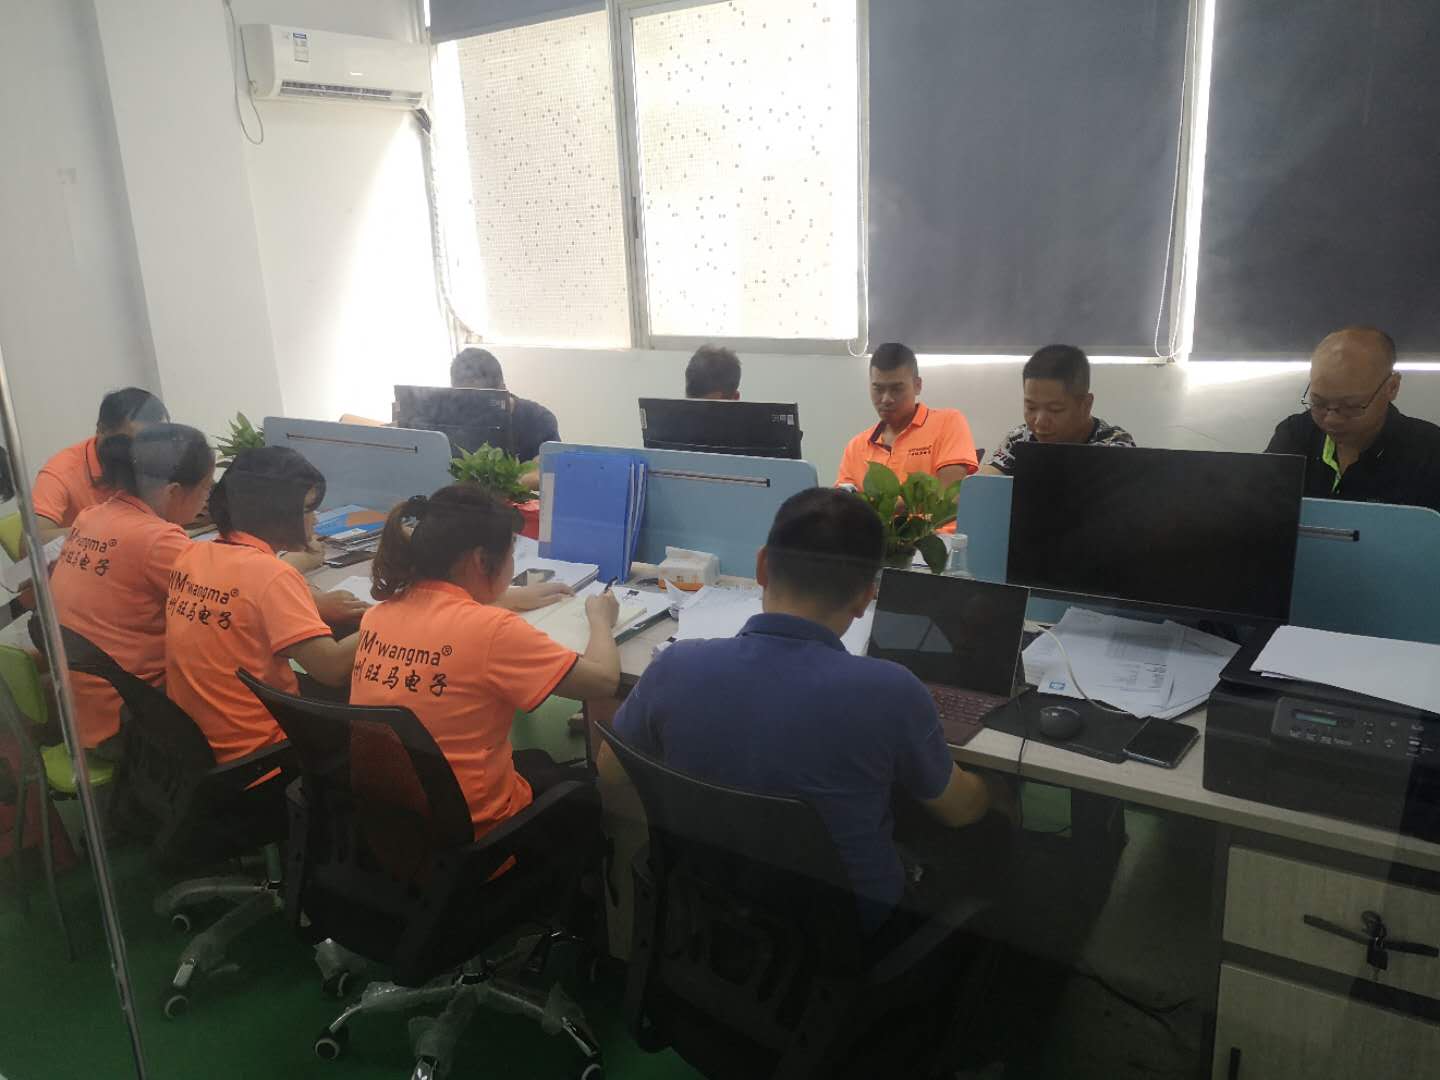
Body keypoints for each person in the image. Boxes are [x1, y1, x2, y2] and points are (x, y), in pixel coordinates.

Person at [597, 488, 1012, 934]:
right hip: (845, 927)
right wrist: (998, 789)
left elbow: (611, 771)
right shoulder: (892, 691)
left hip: (707, 900)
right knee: (991, 828)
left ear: (761, 567)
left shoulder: (673, 665)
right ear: (865, 598)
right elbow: (960, 811)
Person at [353, 485, 620, 839]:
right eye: (512, 555)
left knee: (537, 760)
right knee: (587, 792)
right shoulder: (493, 630)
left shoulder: (378, 616)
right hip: (479, 830)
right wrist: (601, 620)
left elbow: (443, 613)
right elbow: (603, 681)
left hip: (398, 818)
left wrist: (508, 597)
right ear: (481, 561)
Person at [165, 447, 360, 763]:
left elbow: (248, 591)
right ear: (277, 514)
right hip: (264, 749)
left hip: (198, 743)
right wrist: (389, 618)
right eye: (308, 509)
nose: (315, 519)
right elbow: (332, 669)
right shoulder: (272, 576)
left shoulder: (192, 554)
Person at [48, 424, 214, 755]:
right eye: (206, 489)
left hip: (78, 711)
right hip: (128, 722)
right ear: (174, 492)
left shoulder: (91, 516)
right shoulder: (157, 539)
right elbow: (233, 597)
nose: (207, 500)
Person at [1265, 327, 1440, 512]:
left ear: (1392, 387)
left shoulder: (1430, 454)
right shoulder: (1294, 437)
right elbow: (1259, 511)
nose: (1331, 419)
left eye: (1350, 406)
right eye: (1319, 403)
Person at [836, 342, 979, 491]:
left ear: (917, 386)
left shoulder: (948, 423)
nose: (886, 399)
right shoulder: (856, 447)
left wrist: (878, 503)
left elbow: (950, 495)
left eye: (896, 389)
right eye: (878, 389)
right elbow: (840, 503)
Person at [32, 388, 169, 538]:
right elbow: (32, 542)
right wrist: (108, 533)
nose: (144, 452)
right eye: (135, 442)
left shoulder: (159, 455)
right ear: (102, 430)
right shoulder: (62, 471)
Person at [984, 344, 1136, 475]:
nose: (1040, 422)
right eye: (1031, 407)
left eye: (1055, 409)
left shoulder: (1115, 447)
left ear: (1086, 405)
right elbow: (987, 480)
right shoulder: (1020, 438)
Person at [450, 347, 560, 465]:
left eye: (483, 403)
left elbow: (554, 468)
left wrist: (535, 470)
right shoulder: (447, 417)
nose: (475, 413)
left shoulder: (539, 422)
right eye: (465, 402)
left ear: (503, 389)